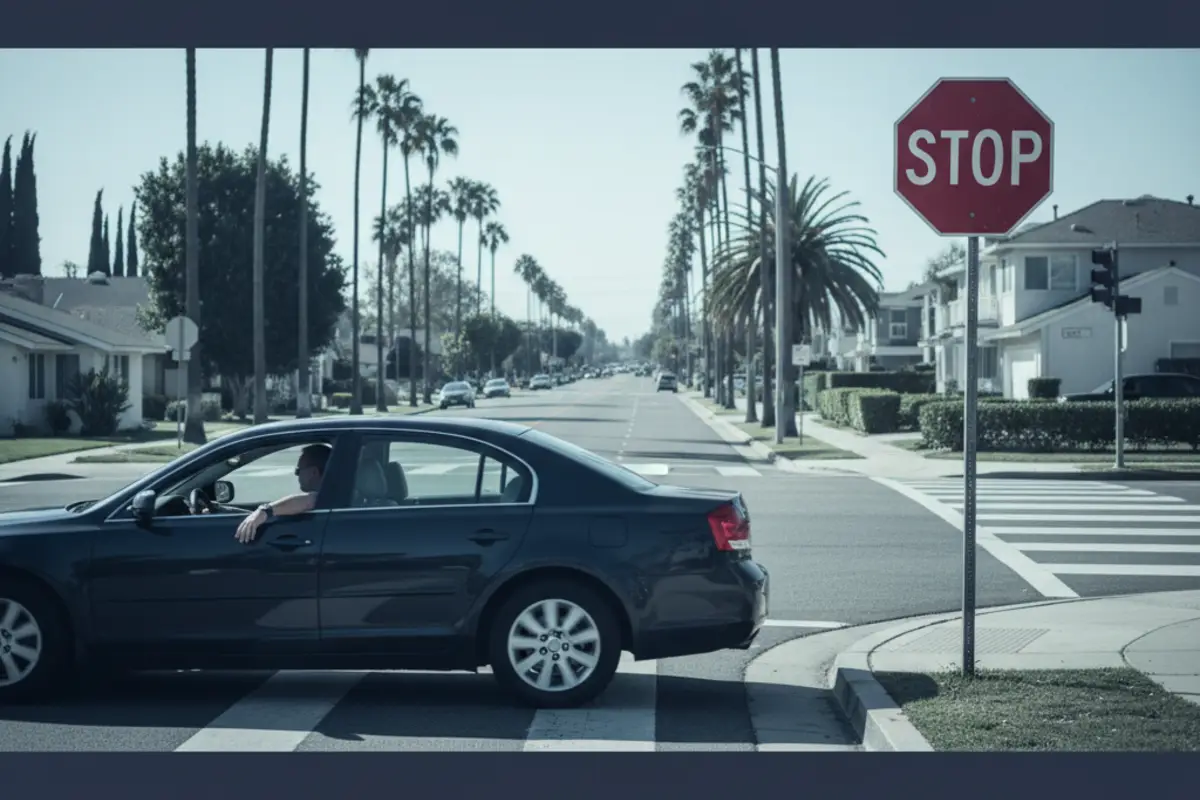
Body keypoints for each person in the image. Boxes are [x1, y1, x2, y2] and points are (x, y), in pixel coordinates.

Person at [234, 442, 332, 544]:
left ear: (314, 472)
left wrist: (264, 511)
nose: (296, 475)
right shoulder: (339, 493)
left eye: (298, 471)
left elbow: (310, 500)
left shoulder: (326, 497)